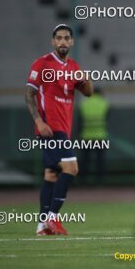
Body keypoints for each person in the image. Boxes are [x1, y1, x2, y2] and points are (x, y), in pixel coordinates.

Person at [25, 24, 93, 236]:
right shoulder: (42, 63)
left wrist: (85, 79)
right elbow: (29, 94)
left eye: (66, 38)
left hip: (64, 129)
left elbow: (88, 92)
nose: (63, 41)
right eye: (59, 38)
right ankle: (53, 217)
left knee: (51, 174)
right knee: (71, 168)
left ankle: (42, 225)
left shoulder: (73, 66)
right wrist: (38, 121)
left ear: (72, 42)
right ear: (53, 41)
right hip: (50, 128)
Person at [79, 87, 109, 185]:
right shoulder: (104, 104)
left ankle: (83, 181)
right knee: (100, 161)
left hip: (86, 136)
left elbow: (80, 121)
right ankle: (100, 181)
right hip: (100, 136)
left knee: (84, 160)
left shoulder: (84, 104)